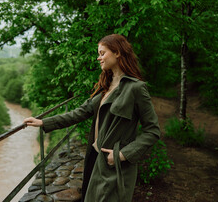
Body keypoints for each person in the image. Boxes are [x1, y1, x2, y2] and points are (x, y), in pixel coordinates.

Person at [23, 34, 161, 202]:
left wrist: (123, 154)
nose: (99, 57)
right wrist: (44, 122)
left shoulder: (136, 88)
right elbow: (79, 112)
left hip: (114, 164)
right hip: (95, 160)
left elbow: (152, 131)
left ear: (117, 53)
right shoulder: (107, 86)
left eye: (102, 53)